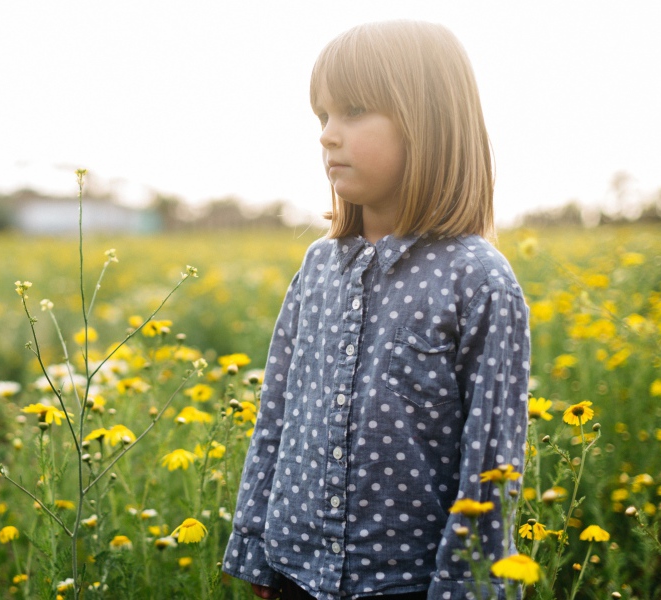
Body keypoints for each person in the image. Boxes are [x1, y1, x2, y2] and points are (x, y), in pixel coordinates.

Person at [222, 20, 531, 600]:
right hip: (294, 571)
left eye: (355, 110)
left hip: (405, 583)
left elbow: (492, 458)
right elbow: (276, 415)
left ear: (430, 125)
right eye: (322, 116)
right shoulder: (317, 267)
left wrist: (468, 588)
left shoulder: (478, 279)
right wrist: (255, 546)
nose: (328, 135)